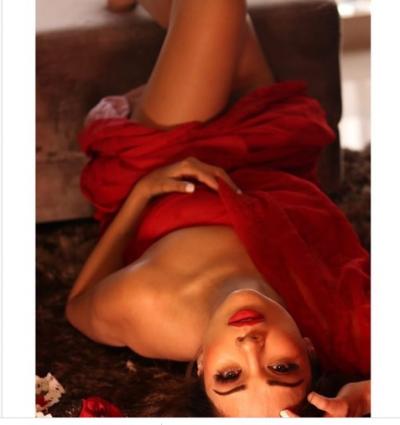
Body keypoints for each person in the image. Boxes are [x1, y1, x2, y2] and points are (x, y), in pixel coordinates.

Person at [66, 0, 370, 417]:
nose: (251, 347)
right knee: (227, 24)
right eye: (282, 368)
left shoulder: (150, 310)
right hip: (268, 156)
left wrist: (140, 195)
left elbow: (78, 306)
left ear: (201, 364)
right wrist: (368, 396)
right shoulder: (347, 326)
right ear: (310, 349)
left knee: (216, 6)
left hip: (171, 159)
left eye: (229, 376)